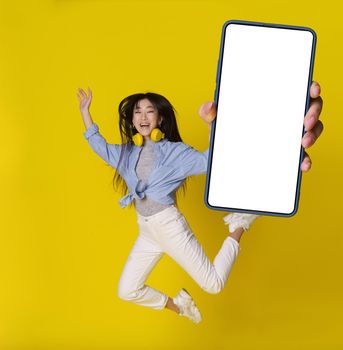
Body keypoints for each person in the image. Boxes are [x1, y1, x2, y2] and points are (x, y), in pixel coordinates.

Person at [77, 82, 323, 323]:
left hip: (168, 226)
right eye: (137, 112)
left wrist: (211, 125)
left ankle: (239, 224)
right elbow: (98, 145)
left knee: (213, 284)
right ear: (132, 121)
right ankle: (180, 306)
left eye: (149, 111)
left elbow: (210, 160)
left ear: (160, 120)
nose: (143, 117)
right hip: (147, 230)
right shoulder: (127, 153)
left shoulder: (175, 153)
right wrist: (85, 113)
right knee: (127, 290)